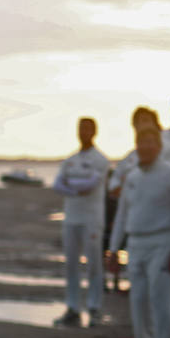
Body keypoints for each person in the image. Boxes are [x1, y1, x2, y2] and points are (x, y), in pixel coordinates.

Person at [106, 124, 170, 338]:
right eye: (141, 143)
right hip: (135, 243)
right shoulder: (133, 177)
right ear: (136, 146)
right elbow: (122, 215)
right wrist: (114, 249)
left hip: (163, 241)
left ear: (158, 147)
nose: (145, 148)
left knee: (160, 299)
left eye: (151, 143)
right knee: (138, 299)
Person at [51, 117, 110, 327]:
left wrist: (72, 185)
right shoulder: (70, 160)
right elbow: (57, 184)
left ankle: (94, 308)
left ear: (94, 131)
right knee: (71, 264)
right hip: (71, 218)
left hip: (92, 219)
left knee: (94, 263)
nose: (83, 132)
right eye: (80, 128)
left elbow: (91, 184)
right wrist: (76, 188)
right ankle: (73, 308)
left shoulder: (101, 160)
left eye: (87, 128)